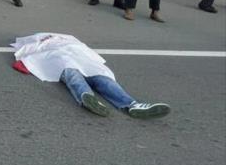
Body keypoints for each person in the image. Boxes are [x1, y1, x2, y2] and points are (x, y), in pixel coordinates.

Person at [11, 32, 171, 119]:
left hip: (82, 59)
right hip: (62, 60)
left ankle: (132, 104)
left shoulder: (69, 39)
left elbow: (84, 48)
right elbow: (25, 54)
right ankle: (88, 98)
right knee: (72, 75)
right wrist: (26, 63)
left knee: (103, 78)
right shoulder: (34, 44)